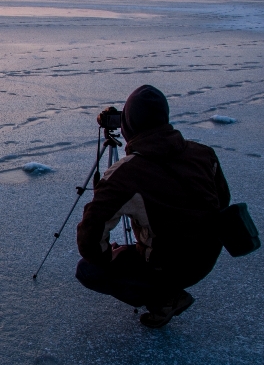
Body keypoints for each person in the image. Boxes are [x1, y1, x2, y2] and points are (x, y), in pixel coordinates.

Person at [75, 85, 230, 328]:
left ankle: (165, 298)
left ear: (129, 124)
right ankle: (166, 287)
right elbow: (223, 201)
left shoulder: (126, 174)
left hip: (167, 267)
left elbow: (90, 237)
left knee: (88, 269)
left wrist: (109, 256)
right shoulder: (204, 154)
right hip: (206, 260)